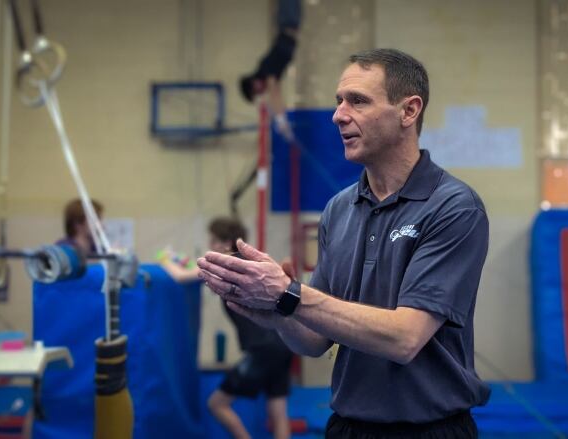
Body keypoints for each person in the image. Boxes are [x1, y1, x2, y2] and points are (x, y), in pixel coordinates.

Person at [198, 48, 490, 438]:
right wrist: (276, 312)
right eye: (339, 101)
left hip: (429, 429)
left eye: (358, 101)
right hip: (348, 427)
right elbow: (316, 340)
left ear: (409, 111)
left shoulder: (453, 207)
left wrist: (291, 295)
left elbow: (405, 338)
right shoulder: (339, 209)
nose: (339, 115)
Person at [160, 217, 294, 439]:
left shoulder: (227, 264)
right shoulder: (247, 263)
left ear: (226, 242)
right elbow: (195, 269)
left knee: (217, 404)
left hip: (262, 349)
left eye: (213, 241)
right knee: (278, 413)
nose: (210, 246)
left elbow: (181, 276)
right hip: (282, 343)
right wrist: (183, 262)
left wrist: (164, 260)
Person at [239, 0, 302, 142]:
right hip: (291, 23)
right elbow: (276, 93)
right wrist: (282, 117)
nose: (262, 92)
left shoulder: (266, 69)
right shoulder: (269, 74)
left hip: (287, 21)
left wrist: (280, 119)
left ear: (254, 84)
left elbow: (274, 92)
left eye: (257, 92)